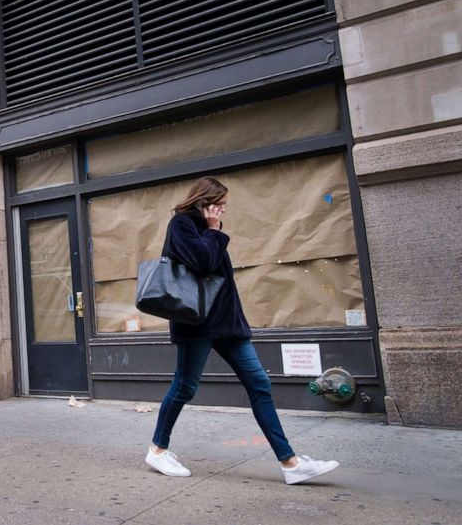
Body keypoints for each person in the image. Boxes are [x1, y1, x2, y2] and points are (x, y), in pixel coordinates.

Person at [144, 177, 339, 485]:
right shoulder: (182, 224)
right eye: (219, 204)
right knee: (185, 387)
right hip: (198, 324)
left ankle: (290, 463)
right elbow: (204, 262)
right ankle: (157, 450)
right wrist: (213, 231)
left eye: (223, 205)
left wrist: (213, 233)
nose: (223, 209)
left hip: (227, 324)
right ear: (204, 201)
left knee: (259, 382)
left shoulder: (210, 229)